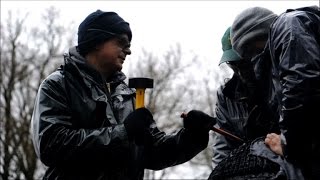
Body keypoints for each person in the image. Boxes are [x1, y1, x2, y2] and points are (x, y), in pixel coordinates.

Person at [30, 9, 216, 180]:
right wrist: (123, 133)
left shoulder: (127, 95)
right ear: (96, 41)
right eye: (121, 43)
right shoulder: (57, 84)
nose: (128, 50)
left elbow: (153, 152)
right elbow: (50, 145)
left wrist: (192, 137)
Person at [230, 6, 320, 179]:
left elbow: (302, 85)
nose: (252, 59)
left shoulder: (288, 25)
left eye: (250, 50)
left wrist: (289, 145)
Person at [212, 27, 279, 169]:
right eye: (232, 63)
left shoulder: (282, 81)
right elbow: (222, 149)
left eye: (242, 61)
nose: (239, 68)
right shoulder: (225, 96)